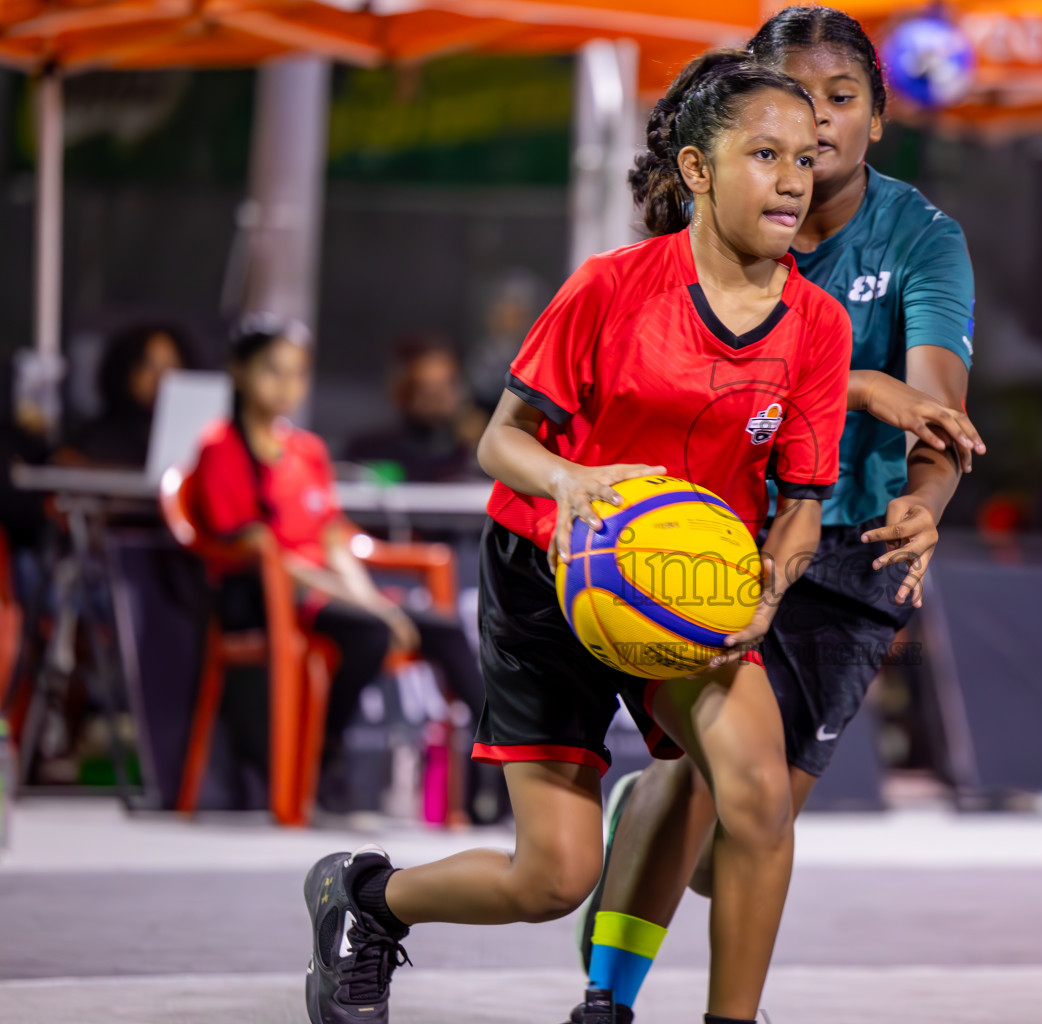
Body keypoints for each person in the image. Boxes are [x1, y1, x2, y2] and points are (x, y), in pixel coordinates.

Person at [301, 51, 853, 1024]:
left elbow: (802, 495)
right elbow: (498, 440)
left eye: (804, 158)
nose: (791, 178)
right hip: (548, 569)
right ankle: (365, 898)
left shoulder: (816, 325)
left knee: (759, 795)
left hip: (684, 580)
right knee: (551, 879)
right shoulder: (610, 288)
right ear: (695, 169)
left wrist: (776, 575)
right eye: (764, 154)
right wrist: (574, 482)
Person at [569, 9, 984, 1021]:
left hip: (858, 558)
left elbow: (939, 412)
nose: (822, 125)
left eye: (843, 101)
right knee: (719, 787)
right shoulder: (727, 217)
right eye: (800, 103)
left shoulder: (924, 239)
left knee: (737, 845)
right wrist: (864, 385)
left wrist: (924, 506)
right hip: (732, 533)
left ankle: (652, 807)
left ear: (878, 119)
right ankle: (605, 1002)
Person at [186, 315, 484, 813]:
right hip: (261, 593)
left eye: (297, 373)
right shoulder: (219, 448)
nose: (286, 386)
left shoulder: (308, 450)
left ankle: (493, 772)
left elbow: (333, 538)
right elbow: (261, 550)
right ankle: (324, 757)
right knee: (369, 632)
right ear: (239, 372)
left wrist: (374, 601)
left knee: (442, 627)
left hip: (333, 594)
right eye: (272, 371)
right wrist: (373, 610)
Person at [343, 333, 482, 483]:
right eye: (424, 388)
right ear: (401, 388)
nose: (434, 400)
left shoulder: (473, 457)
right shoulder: (367, 452)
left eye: (443, 387)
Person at [59, 320, 197, 468]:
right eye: (148, 366)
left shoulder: (198, 438)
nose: (161, 377)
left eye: (171, 365)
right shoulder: (94, 442)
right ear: (125, 371)